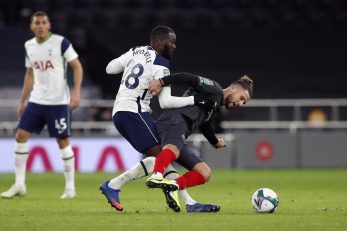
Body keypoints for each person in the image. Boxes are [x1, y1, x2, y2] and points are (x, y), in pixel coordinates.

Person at [99, 25, 219, 212]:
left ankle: (187, 202)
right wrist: (196, 100)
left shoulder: (136, 50)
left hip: (120, 111)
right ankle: (113, 185)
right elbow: (166, 102)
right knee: (163, 156)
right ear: (160, 42)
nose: (174, 46)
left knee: (160, 158)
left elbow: (109, 68)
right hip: (134, 111)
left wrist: (132, 62)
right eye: (172, 42)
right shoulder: (161, 64)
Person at [0, 11, 83, 199]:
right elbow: (30, 74)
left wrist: (76, 92)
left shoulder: (61, 42)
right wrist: (23, 100)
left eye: (43, 22)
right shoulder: (29, 46)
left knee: (62, 141)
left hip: (58, 101)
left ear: (49, 25)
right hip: (36, 100)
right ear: (31, 26)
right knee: (20, 136)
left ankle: (70, 188)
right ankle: (19, 184)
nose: (40, 26)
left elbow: (77, 66)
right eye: (36, 23)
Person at [146, 73, 253, 211]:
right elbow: (188, 78)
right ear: (232, 88)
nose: (240, 103)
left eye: (244, 102)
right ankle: (156, 175)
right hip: (174, 120)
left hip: (180, 132)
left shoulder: (214, 108)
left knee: (204, 172)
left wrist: (214, 142)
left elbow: (205, 125)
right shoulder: (214, 88)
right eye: (242, 98)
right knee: (172, 149)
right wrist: (161, 81)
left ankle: (172, 185)